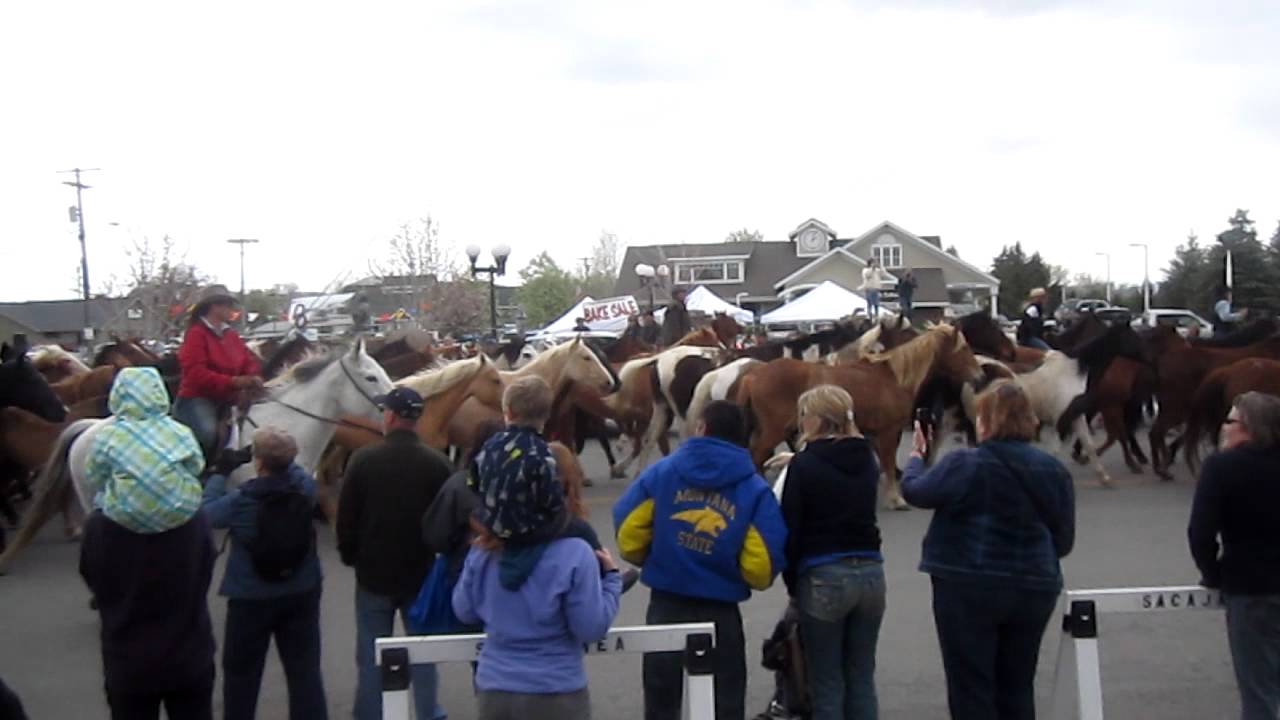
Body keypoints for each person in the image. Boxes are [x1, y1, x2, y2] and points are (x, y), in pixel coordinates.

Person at [901, 380, 1075, 720]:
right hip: (1034, 584)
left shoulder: (966, 463)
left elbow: (915, 492)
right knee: (1018, 684)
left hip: (969, 582)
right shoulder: (1054, 470)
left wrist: (917, 457)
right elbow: (1064, 541)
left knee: (972, 685)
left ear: (986, 421)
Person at [613, 400, 788, 720]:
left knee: (661, 697)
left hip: (667, 600)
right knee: (725, 697)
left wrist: (650, 557)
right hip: (720, 607)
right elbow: (761, 566)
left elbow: (628, 533)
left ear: (701, 428)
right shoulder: (753, 487)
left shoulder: (662, 473)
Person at [79, 367, 216, 719]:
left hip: (128, 664)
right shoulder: (194, 518)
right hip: (190, 657)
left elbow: (94, 579)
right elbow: (205, 570)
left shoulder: (101, 527)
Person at [452, 461, 622, 720]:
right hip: (556, 688)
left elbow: (464, 610)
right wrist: (611, 581)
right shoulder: (576, 553)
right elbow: (590, 627)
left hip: (496, 688)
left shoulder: (482, 551)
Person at [338, 386, 453, 720]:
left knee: (372, 651)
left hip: (373, 573)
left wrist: (351, 555)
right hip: (420, 571)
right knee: (423, 651)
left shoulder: (363, 460)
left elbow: (346, 518)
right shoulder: (437, 463)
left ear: (389, 416)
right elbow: (447, 520)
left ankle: (371, 713)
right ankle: (428, 711)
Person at [202, 426, 327, 720]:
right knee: (304, 670)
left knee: (241, 673)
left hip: (250, 595)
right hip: (302, 588)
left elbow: (207, 513)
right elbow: (292, 470)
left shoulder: (241, 501)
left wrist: (221, 471)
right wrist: (278, 452)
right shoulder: (304, 488)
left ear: (258, 462)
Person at [780, 385, 885, 720]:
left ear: (817, 420)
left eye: (804, 415)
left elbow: (792, 529)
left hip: (823, 571)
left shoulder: (804, 465)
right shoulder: (868, 458)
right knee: (861, 677)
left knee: (826, 681)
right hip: (870, 572)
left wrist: (792, 583)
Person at [1188, 391, 1280, 720]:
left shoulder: (1221, 466)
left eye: (1230, 421)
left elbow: (1201, 532)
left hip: (1250, 585)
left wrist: (1213, 573)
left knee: (1259, 689)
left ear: (1248, 427)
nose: (1224, 427)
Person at [173, 285, 263, 460]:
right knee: (208, 434)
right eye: (228, 305)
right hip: (198, 399)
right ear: (215, 306)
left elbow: (248, 360)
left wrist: (254, 376)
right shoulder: (195, 335)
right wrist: (234, 382)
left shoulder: (231, 335)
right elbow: (196, 374)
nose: (232, 309)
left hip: (229, 398)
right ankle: (203, 476)